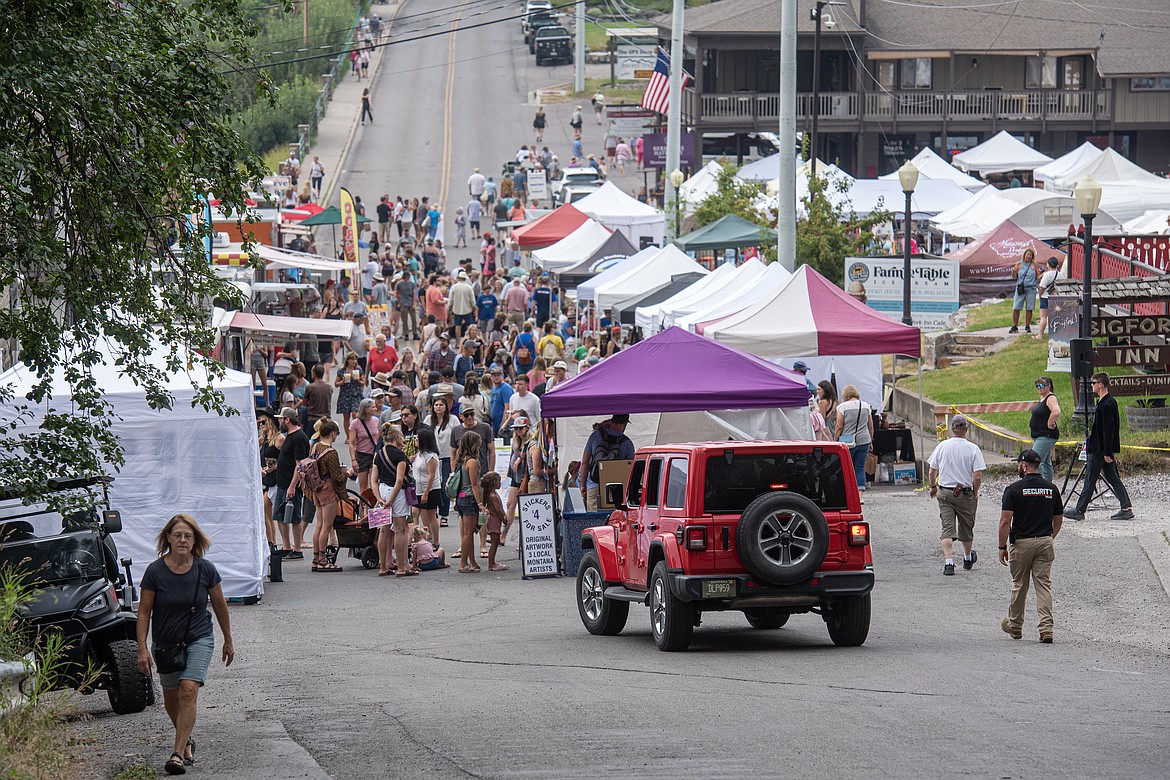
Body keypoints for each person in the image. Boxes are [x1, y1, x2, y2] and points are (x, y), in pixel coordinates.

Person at [136, 514, 233, 775]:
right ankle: (186, 738)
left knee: (188, 689)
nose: (182, 540)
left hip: (199, 637)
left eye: (187, 536)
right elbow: (144, 612)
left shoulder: (205, 569)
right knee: (171, 699)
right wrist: (142, 649)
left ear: (194, 540)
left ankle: (177, 753)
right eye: (177, 535)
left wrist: (228, 640)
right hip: (166, 643)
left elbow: (220, 605)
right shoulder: (155, 571)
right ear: (168, 538)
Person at [998, 449, 1064, 644]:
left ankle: (1016, 627)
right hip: (1045, 541)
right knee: (1043, 585)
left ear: (1025, 466)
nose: (1018, 466)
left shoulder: (1013, 489)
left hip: (1022, 543)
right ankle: (1046, 629)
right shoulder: (1051, 488)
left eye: (1019, 464)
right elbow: (1058, 520)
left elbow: (1004, 521)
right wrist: (1049, 537)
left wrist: (1002, 546)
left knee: (1020, 585)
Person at [1063, 372, 1134, 521]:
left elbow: (1109, 431)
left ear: (1100, 384)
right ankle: (1126, 506)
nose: (1091, 386)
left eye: (1093, 383)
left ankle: (1080, 510)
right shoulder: (1107, 402)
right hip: (1103, 449)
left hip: (1099, 450)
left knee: (1090, 478)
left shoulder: (1106, 405)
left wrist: (1107, 452)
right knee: (1112, 477)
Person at [927, 414, 986, 576]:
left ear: (952, 429)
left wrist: (933, 486)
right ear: (966, 429)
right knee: (966, 527)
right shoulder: (973, 448)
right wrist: (975, 491)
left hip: (945, 492)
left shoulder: (942, 446)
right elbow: (977, 475)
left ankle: (949, 563)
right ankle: (967, 558)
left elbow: (932, 470)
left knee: (947, 528)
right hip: (965, 493)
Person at [301, 420, 349, 573]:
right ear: (333, 433)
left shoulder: (315, 446)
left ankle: (316, 559)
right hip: (328, 489)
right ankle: (323, 560)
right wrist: (346, 474)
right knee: (327, 527)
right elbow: (336, 477)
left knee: (319, 525)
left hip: (317, 489)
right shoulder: (331, 453)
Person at [371, 423, 413, 576]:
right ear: (396, 437)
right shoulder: (400, 455)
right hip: (397, 493)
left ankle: (383, 567)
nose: (403, 439)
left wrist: (380, 498)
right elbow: (399, 480)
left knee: (383, 530)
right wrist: (392, 499)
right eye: (401, 436)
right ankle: (401, 567)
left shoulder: (378, 454)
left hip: (382, 490)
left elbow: (373, 480)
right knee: (400, 530)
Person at [274, 407, 310, 558]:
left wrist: (292, 486)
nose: (279, 421)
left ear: (287, 420)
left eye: (281, 419)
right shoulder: (289, 435)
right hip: (282, 483)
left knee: (294, 516)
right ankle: (287, 546)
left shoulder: (298, 437)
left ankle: (297, 549)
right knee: (279, 515)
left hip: (290, 484)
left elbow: (299, 464)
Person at [579, 414, 635, 511]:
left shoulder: (595, 436)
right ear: (624, 424)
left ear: (611, 421)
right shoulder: (627, 443)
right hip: (615, 490)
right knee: (613, 521)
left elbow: (585, 463)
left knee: (594, 522)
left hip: (594, 485)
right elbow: (629, 471)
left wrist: (583, 485)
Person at [452, 431, 487, 572]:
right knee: (468, 533)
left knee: (469, 532)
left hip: (461, 497)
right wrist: (480, 503)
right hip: (469, 499)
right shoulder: (472, 462)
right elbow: (474, 484)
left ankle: (472, 562)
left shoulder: (462, 460)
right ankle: (463, 563)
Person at [834, 385, 873, 493]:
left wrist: (835, 439)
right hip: (864, 439)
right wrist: (870, 440)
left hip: (847, 442)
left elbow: (839, 426)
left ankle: (849, 494)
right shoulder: (865, 406)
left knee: (847, 468)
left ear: (845, 395)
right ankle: (859, 494)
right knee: (860, 467)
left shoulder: (842, 407)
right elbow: (870, 426)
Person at [412, 427, 442, 545]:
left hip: (430, 489)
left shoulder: (431, 456)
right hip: (418, 488)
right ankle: (420, 538)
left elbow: (431, 475)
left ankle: (436, 540)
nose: (415, 440)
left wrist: (426, 492)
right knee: (415, 513)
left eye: (417, 439)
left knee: (431, 515)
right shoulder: (419, 454)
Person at [1030, 377, 1062, 483]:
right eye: (1037, 386)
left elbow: (1056, 412)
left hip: (1046, 435)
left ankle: (1039, 484)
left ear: (1048, 386)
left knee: (1036, 460)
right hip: (1039, 434)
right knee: (1046, 462)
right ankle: (1048, 484)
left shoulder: (1050, 398)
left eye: (1041, 385)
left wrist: (1050, 422)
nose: (1039, 388)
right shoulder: (1042, 398)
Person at [348, 398, 380, 498]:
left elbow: (378, 438)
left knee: (374, 484)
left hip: (373, 454)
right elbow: (352, 443)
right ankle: (363, 509)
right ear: (366, 409)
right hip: (361, 455)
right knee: (363, 487)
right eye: (373, 407)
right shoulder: (355, 423)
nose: (375, 409)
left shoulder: (376, 420)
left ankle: (372, 510)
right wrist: (353, 460)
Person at [481, 470, 507, 571]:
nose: (500, 483)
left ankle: (493, 562)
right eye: (499, 481)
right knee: (494, 542)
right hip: (494, 520)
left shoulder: (491, 494)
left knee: (495, 542)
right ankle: (491, 564)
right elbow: (499, 510)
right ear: (494, 482)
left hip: (493, 520)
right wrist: (504, 518)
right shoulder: (493, 496)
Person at [1010, 247, 1039, 334]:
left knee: (1029, 308)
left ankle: (1027, 325)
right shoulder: (1019, 264)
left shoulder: (1034, 265)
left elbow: (1038, 276)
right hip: (1020, 288)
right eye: (1027, 254)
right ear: (1024, 255)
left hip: (1031, 288)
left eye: (1030, 255)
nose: (1029, 256)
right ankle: (1015, 325)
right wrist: (1013, 271)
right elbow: (1014, 277)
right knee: (1016, 307)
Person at [334, 352, 365, 432]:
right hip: (345, 394)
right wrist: (342, 382)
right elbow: (336, 384)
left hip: (356, 394)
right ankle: (348, 436)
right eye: (352, 359)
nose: (354, 361)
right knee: (346, 416)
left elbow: (363, 382)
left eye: (355, 359)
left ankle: (355, 432)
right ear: (348, 360)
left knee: (355, 414)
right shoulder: (342, 370)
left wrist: (358, 380)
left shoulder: (358, 370)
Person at [1035, 256, 1060, 339]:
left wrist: (1040, 295)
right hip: (1056, 298)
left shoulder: (1047, 275)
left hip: (1045, 297)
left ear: (1048, 265)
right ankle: (1055, 334)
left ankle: (1040, 335)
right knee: (1054, 316)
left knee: (1043, 317)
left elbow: (1042, 287)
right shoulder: (1060, 274)